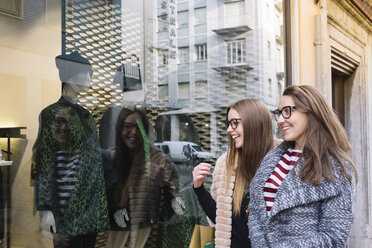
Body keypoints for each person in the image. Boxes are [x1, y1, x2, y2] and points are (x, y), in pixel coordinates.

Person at [248, 85, 358, 247]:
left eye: (287, 111)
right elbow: (256, 212)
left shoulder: (337, 167)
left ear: (311, 111)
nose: (279, 121)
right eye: (278, 113)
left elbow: (333, 236)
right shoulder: (273, 158)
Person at [31, 51, 109, 248]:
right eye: (85, 73)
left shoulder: (87, 116)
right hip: (68, 206)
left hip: (92, 206)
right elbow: (44, 160)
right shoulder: (52, 114)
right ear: (69, 76)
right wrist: (46, 208)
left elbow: (94, 161)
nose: (90, 78)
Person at [192, 99, 274, 248]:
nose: (229, 129)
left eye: (235, 122)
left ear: (253, 123)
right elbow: (221, 220)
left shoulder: (282, 162)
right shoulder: (225, 164)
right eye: (229, 124)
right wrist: (199, 189)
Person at [105, 107, 184, 248]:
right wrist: (115, 208)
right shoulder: (111, 156)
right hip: (119, 219)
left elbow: (172, 177)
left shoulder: (154, 155)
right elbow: (103, 190)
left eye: (139, 127)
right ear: (120, 129)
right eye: (128, 127)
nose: (134, 132)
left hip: (144, 216)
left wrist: (173, 195)